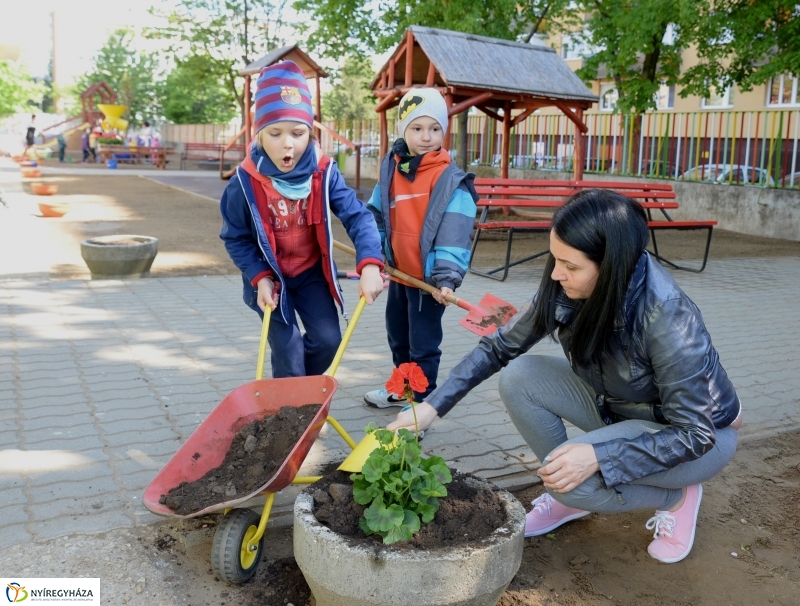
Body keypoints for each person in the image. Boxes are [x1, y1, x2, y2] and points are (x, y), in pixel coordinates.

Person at [387, 189, 742, 564]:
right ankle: (570, 494)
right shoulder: (565, 285)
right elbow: (499, 346)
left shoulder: (667, 315)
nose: (557, 274)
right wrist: (432, 408)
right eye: (555, 259)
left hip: (690, 437)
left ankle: (676, 498)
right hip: (617, 407)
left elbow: (695, 434)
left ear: (611, 266)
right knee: (520, 377)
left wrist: (599, 456)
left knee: (575, 476)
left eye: (570, 266)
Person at [219, 60, 385, 378]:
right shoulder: (243, 181)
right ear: (259, 134)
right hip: (270, 279)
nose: (288, 143)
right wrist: (259, 276)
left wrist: (370, 265)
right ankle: (289, 403)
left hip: (310, 274)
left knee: (328, 341)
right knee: (289, 349)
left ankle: (301, 395)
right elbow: (235, 237)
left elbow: (359, 218)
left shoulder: (324, 172)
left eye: (298, 133)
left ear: (310, 132)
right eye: (275, 133)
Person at [362, 88, 478, 409]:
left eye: (434, 128)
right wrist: (373, 255)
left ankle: (421, 405)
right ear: (403, 130)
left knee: (423, 345)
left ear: (443, 131)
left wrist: (446, 278)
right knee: (398, 336)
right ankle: (403, 390)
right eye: (417, 128)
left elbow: (455, 233)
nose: (426, 137)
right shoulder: (391, 169)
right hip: (400, 274)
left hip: (430, 283)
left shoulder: (449, 180)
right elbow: (376, 215)